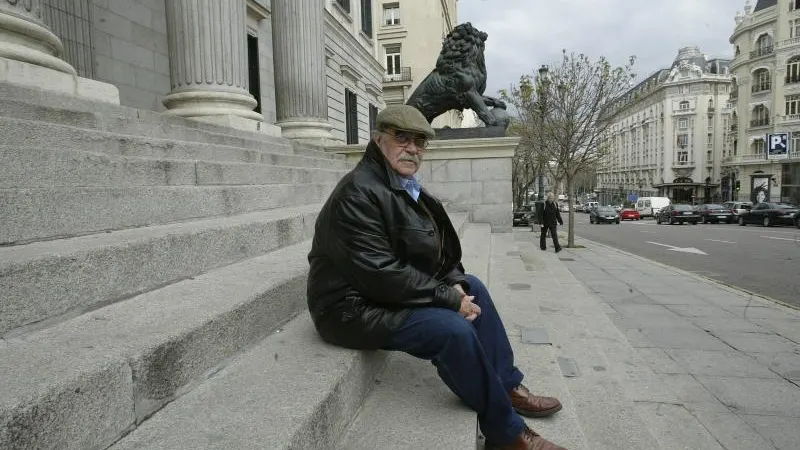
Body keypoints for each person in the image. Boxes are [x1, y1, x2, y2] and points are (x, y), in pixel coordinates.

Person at [306, 105, 567, 450]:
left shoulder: (402, 184)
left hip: (378, 292)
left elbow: (429, 249)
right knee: (452, 330)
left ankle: (504, 385)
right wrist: (447, 299)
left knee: (474, 286)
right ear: (378, 140)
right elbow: (380, 273)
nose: (412, 149)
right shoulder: (357, 193)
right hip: (349, 308)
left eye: (420, 142)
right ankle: (506, 433)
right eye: (402, 138)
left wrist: (454, 280)